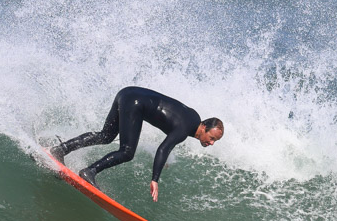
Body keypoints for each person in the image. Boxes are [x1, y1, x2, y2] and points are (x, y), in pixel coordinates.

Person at [50, 86, 223, 201]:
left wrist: (164, 162)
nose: (212, 143)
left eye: (215, 140)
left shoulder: (193, 116)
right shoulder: (185, 128)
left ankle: (61, 149)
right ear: (204, 127)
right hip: (135, 104)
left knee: (106, 136)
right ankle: (89, 171)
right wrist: (155, 179)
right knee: (127, 152)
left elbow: (169, 128)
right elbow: (164, 148)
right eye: (212, 138)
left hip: (127, 93)